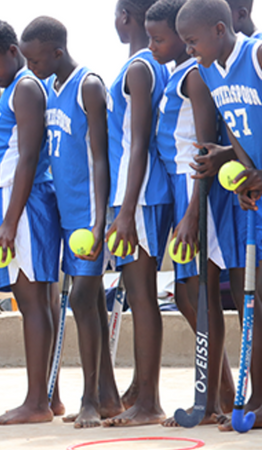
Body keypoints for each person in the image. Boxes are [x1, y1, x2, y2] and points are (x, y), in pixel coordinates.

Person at [19, 16, 122, 428]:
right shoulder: (49, 90)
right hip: (64, 213)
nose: (30, 68)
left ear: (57, 52)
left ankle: (90, 400)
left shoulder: (88, 85)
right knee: (89, 301)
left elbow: (100, 157)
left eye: (35, 60)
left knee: (81, 299)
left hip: (88, 215)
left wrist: (99, 222)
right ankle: (109, 396)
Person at [147, 0, 241, 426]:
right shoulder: (177, 74)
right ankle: (219, 395)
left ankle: (212, 401)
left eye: (162, 38)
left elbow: (205, 150)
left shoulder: (195, 76)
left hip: (197, 191)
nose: (156, 46)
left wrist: (192, 213)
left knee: (202, 293)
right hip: (180, 189)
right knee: (188, 293)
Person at [0, 19, 58, 425]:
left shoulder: (25, 88)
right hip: (10, 204)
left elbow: (28, 158)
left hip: (26, 206)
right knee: (33, 300)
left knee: (32, 301)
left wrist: (10, 221)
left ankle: (37, 402)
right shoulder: (13, 90)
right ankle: (48, 397)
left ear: (12, 51)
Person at [178, 0, 262, 431]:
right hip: (256, 190)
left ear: (218, 29)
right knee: (257, 300)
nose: (189, 50)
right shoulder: (209, 70)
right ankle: (258, 399)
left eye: (192, 41)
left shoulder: (257, 53)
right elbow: (235, 126)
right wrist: (245, 172)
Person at [102, 0, 173, 427]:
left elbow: (139, 142)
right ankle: (139, 388)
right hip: (141, 194)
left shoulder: (140, 67)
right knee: (138, 292)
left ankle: (149, 401)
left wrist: (126, 211)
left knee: (142, 295)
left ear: (126, 17)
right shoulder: (151, 64)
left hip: (140, 196)